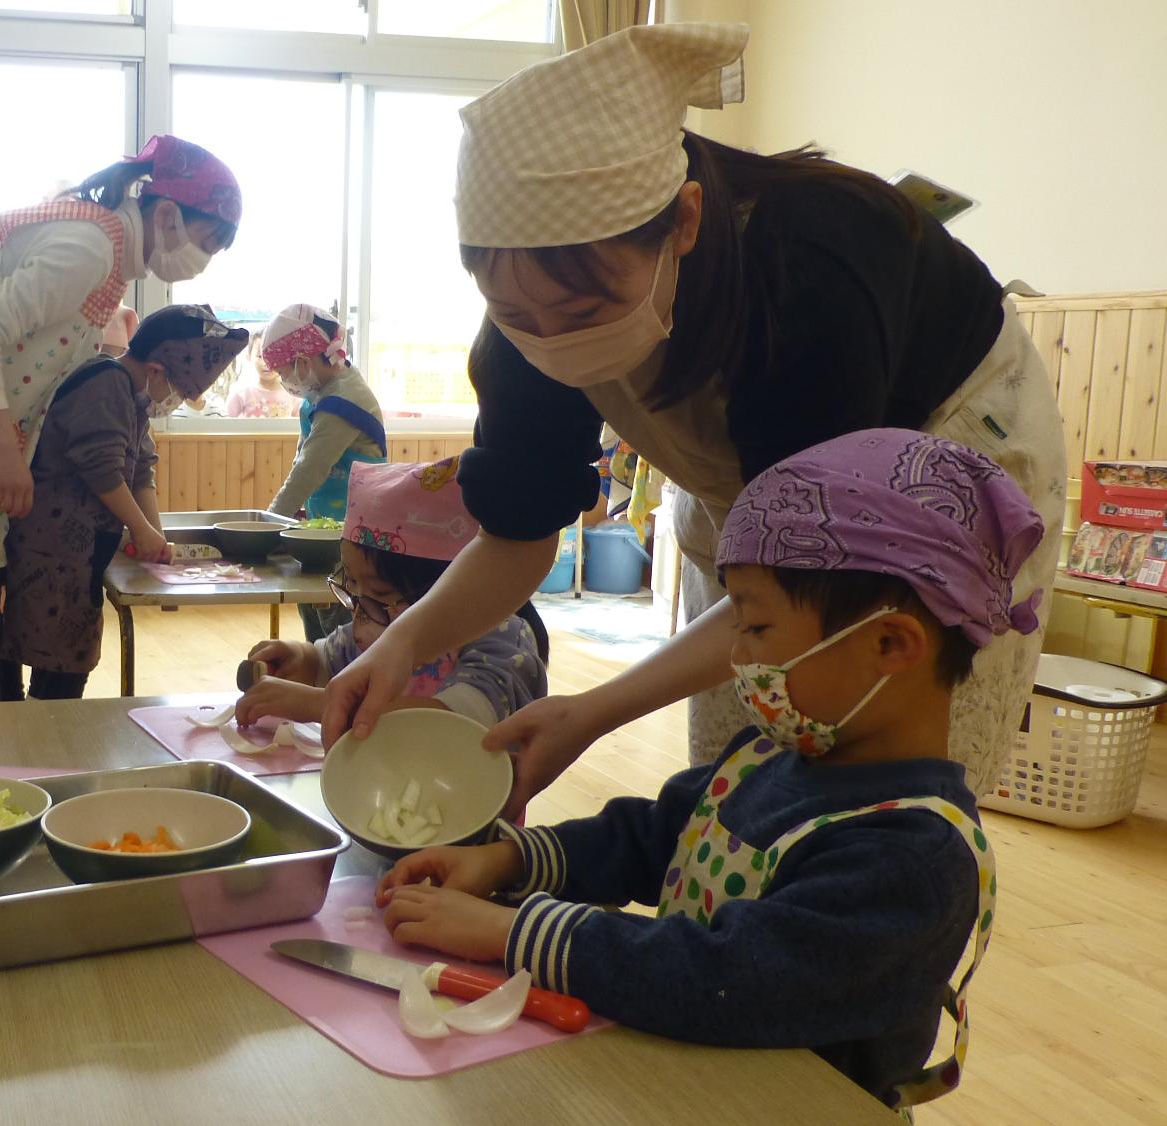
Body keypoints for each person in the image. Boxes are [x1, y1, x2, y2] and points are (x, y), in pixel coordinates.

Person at [323, 23, 1065, 822]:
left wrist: (596, 710)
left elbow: (810, 576)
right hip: (768, 505)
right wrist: (403, 644)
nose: (555, 342)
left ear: (683, 221)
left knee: (877, 797)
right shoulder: (528, 328)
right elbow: (517, 534)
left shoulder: (809, 274)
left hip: (939, 458)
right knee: (733, 786)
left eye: (587, 309)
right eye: (514, 313)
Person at [376, 429, 1038, 1113]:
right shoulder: (773, 755)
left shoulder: (916, 857)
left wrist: (514, 933)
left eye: (754, 630)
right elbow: (649, 837)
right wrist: (509, 861)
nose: (739, 660)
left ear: (889, 644)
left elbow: (725, 979)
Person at [0, 134, 240, 704]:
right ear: (169, 215)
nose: (201, 260)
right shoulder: (90, 248)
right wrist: (7, 451)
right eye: (207, 242)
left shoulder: (107, 248)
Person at [0, 305, 249, 700]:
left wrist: (156, 537)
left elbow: (140, 471)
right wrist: (141, 530)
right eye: (179, 390)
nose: (176, 400)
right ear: (155, 369)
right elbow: (102, 470)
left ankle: (43, 727)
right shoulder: (106, 383)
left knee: (71, 649)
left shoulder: (132, 396)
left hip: (82, 549)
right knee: (57, 656)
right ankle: (41, 734)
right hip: (52, 547)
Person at [236, 457, 546, 730]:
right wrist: (298, 657)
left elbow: (449, 724)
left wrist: (319, 705)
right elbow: (326, 661)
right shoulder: (375, 620)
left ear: (446, 587)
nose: (358, 615)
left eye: (379, 593)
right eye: (353, 588)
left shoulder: (502, 644)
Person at [261, 303, 384, 642]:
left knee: (341, 630)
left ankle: (338, 686)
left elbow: (309, 470)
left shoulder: (345, 401)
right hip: (326, 531)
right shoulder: (321, 395)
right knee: (315, 614)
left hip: (353, 541)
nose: (286, 380)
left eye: (285, 370)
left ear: (304, 359)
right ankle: (318, 682)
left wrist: (269, 524)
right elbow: (304, 461)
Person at [222, 331, 297, 418]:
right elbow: (226, 427)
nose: (267, 363)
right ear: (249, 356)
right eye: (260, 356)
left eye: (274, 355)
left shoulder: (294, 393)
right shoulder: (241, 393)